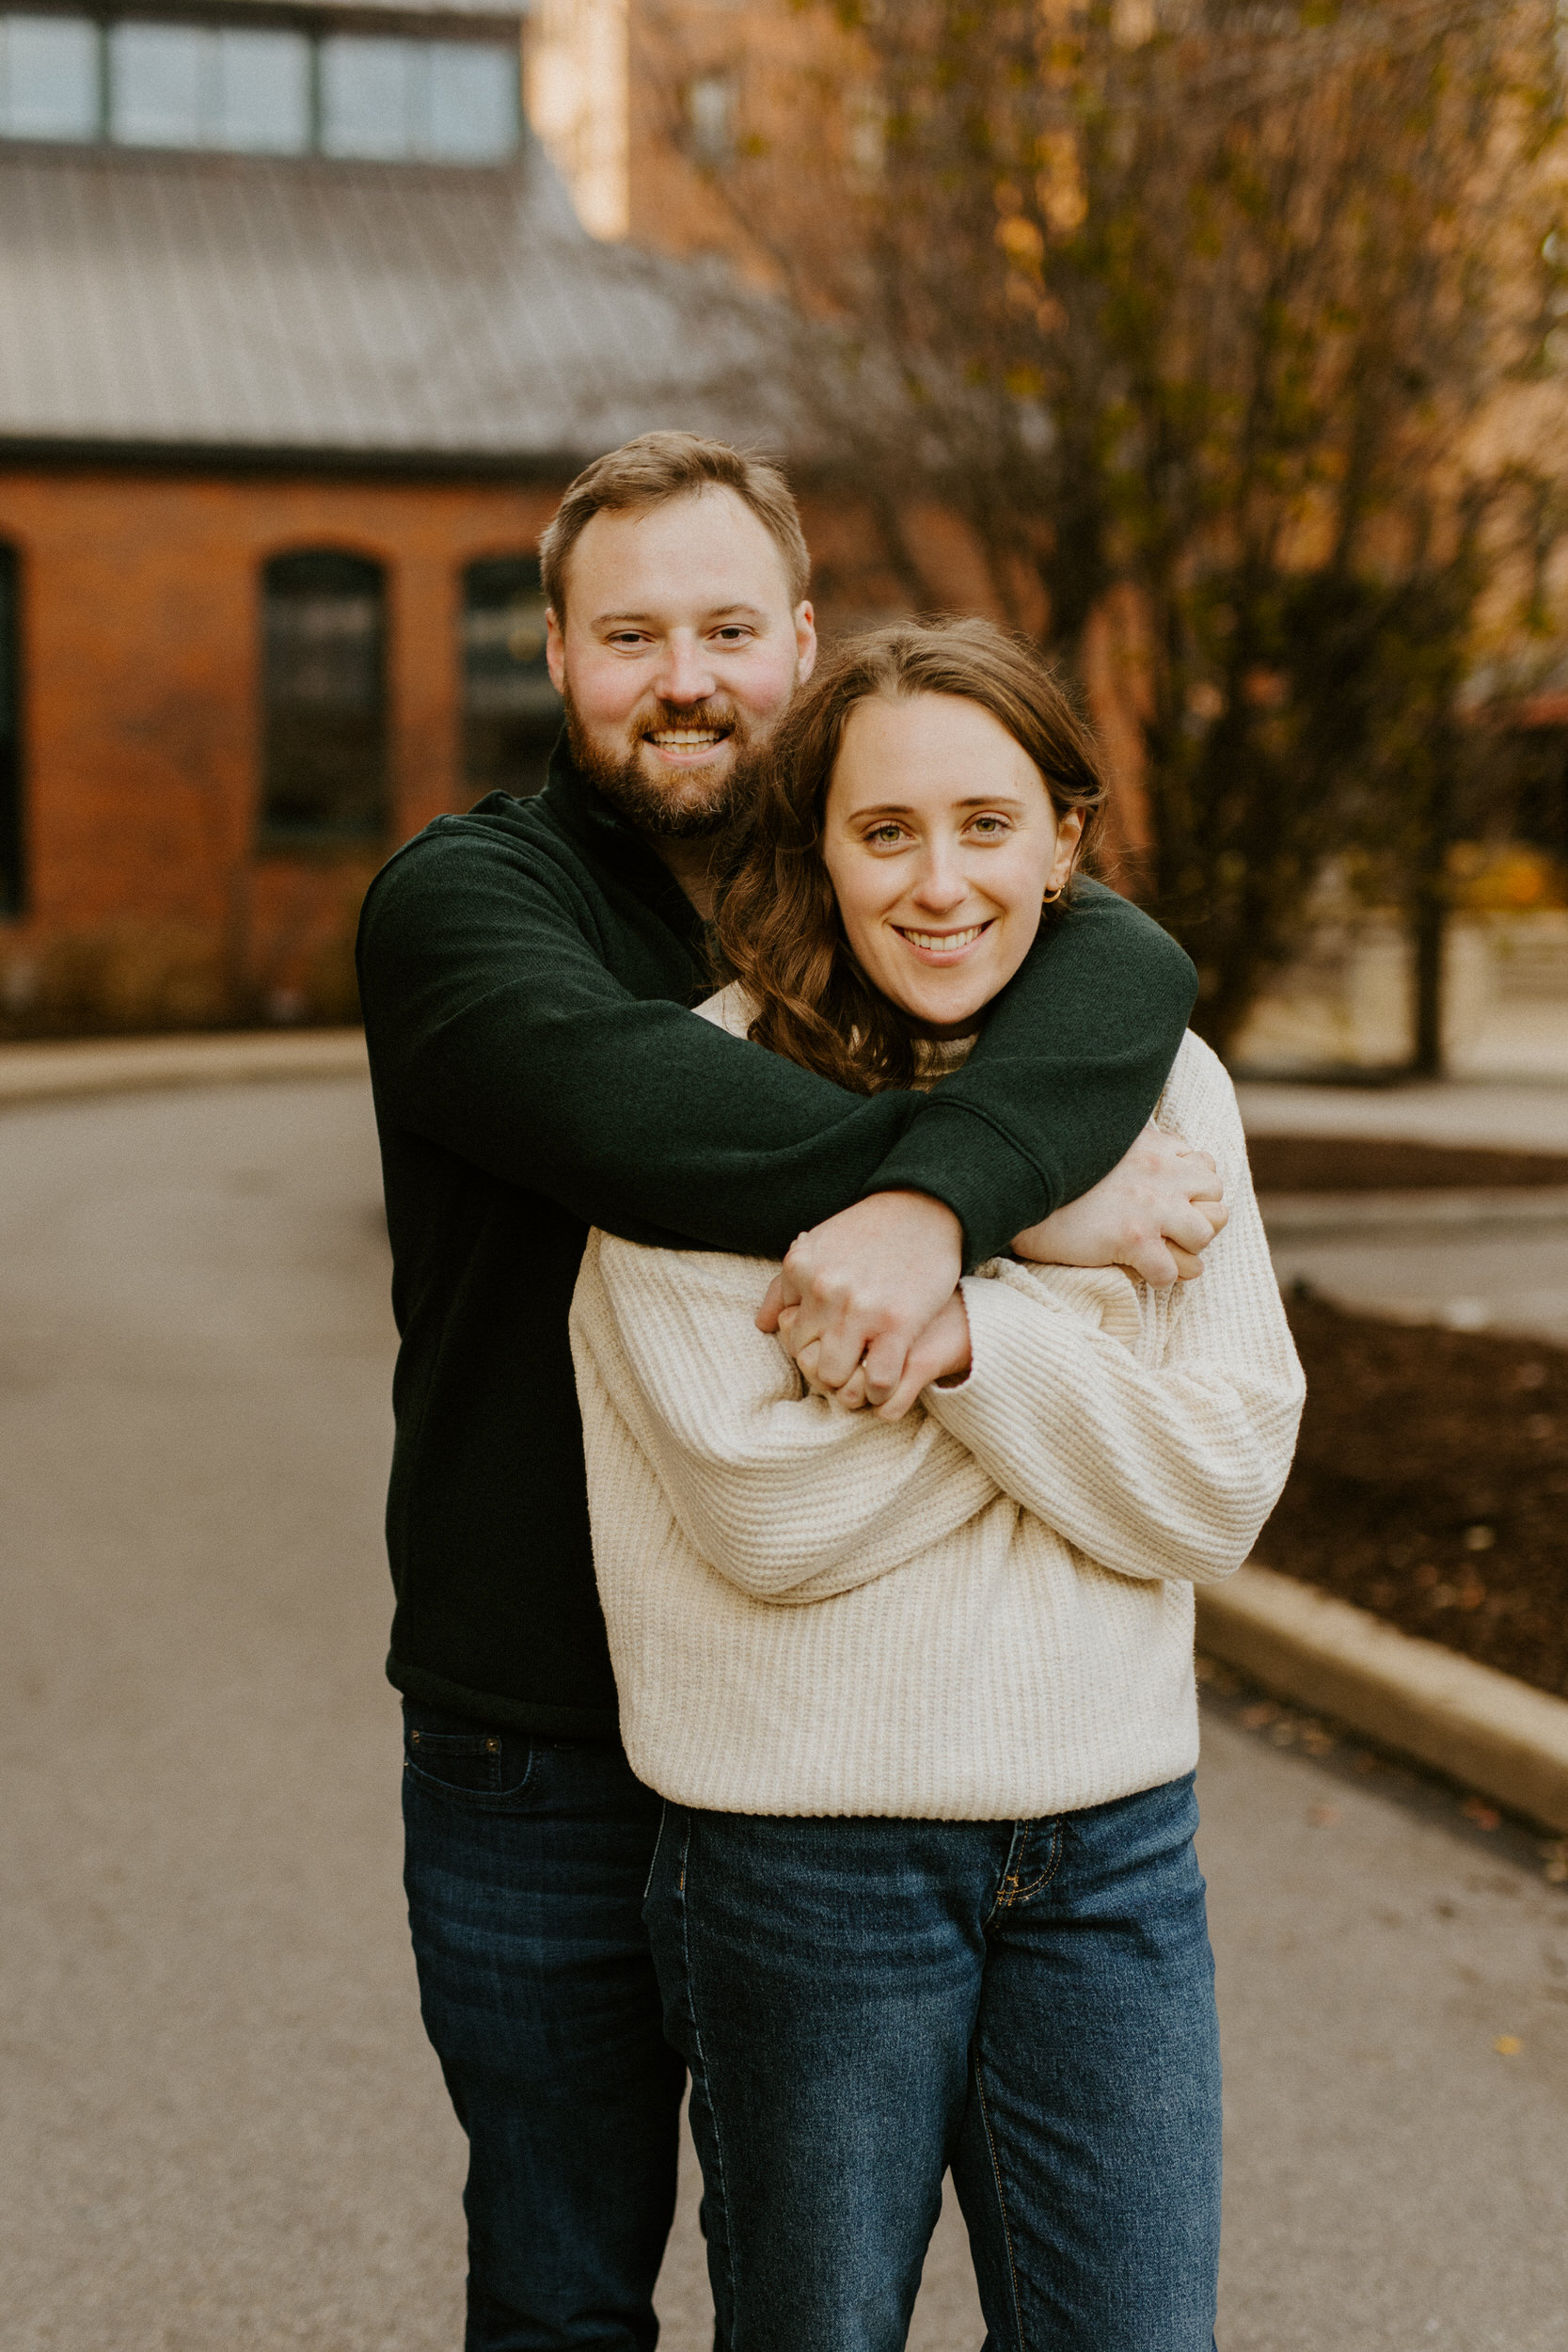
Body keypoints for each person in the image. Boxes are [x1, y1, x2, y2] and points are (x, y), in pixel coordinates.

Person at [356, 433, 1227, 2352]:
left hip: (811, 1742)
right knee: (566, 2285)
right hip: (544, 1727)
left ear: (805, 639)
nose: (689, 675)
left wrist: (952, 1218)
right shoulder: (466, 906)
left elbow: (1127, 952)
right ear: (557, 652)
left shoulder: (875, 879)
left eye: (733, 626)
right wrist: (1023, 1186)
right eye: (632, 631)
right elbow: (636, 1105)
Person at [570, 617, 1306, 2352]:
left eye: (987, 824)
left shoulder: (1166, 1087)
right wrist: (1072, 1296)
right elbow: (769, 1514)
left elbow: (1215, 1489)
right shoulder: (695, 1101)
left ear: (1066, 841)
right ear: (816, 851)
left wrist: (966, 1333)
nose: (938, 882)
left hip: (1114, 1849)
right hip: (805, 1868)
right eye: (883, 830)